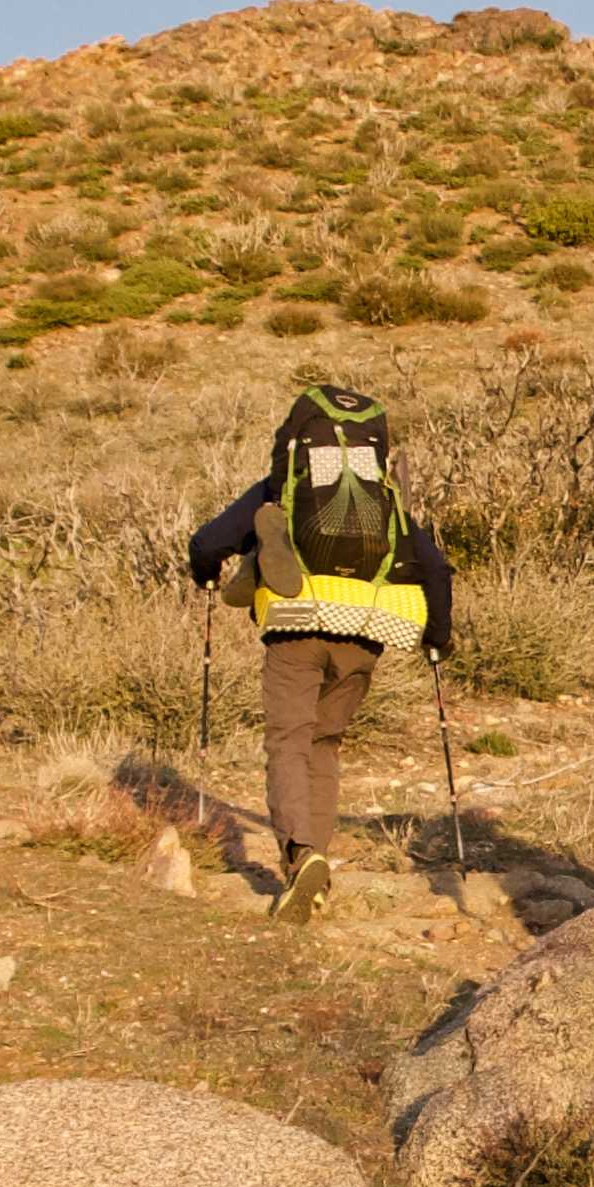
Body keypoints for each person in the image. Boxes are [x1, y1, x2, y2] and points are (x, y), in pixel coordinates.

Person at [187, 385, 456, 921]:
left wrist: (205, 573)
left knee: (288, 741)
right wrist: (437, 636)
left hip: (296, 624)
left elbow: (206, 542)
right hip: (367, 629)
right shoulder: (386, 498)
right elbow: (435, 568)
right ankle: (318, 861)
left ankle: (301, 856)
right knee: (324, 743)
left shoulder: (283, 486)